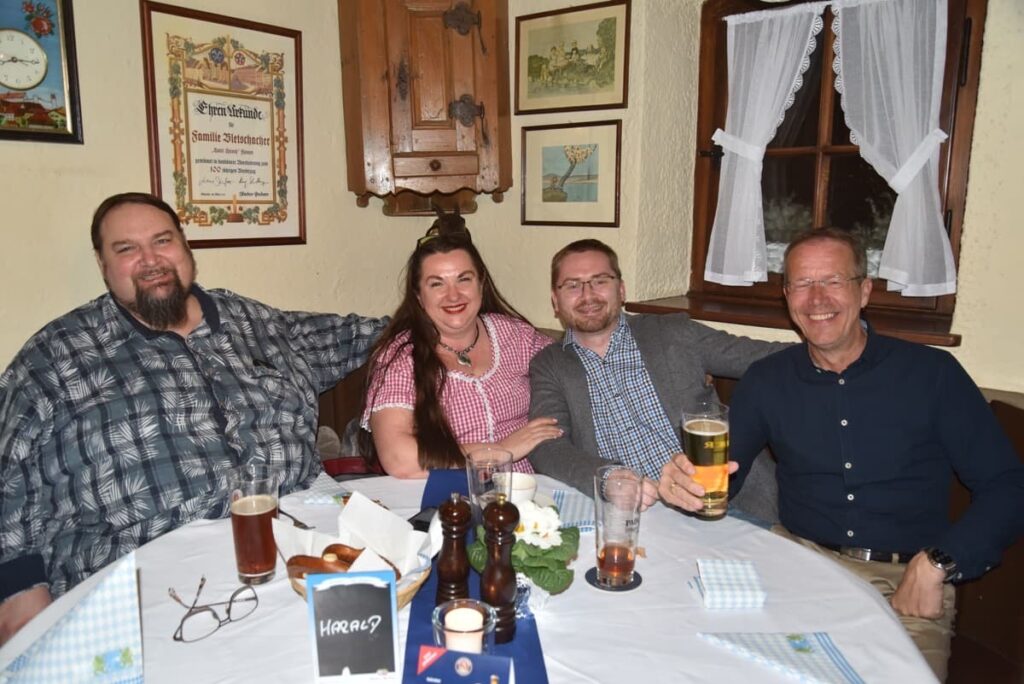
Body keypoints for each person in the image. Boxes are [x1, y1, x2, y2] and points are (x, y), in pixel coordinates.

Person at [0, 192, 387, 645]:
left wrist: (449, 315)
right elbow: (9, 475)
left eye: (162, 241)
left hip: (294, 561)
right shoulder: (57, 357)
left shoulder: (255, 324)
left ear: (186, 247)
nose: (150, 260)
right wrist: (19, 593)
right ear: (103, 265)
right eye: (126, 249)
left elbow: (370, 335)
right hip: (142, 596)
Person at [659, 228, 1024, 680]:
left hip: (905, 585)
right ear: (787, 296)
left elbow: (1008, 486)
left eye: (833, 281)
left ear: (864, 291)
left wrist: (938, 563)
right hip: (797, 568)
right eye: (802, 284)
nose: (817, 299)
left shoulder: (932, 374)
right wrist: (687, 486)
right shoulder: (766, 381)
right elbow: (724, 477)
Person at [528, 239, 785, 512]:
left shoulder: (672, 332)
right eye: (572, 285)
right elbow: (548, 445)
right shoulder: (550, 365)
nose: (588, 295)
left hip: (730, 501)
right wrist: (608, 479)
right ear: (555, 301)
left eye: (600, 281)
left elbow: (766, 358)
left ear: (621, 290)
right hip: (641, 515)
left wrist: (821, 342)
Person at [360, 218, 561, 478]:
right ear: (419, 296)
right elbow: (398, 458)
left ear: (481, 284)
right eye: (437, 283)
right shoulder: (401, 357)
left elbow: (571, 368)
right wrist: (498, 451)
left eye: (463, 279)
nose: (453, 295)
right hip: (449, 495)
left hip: (527, 490)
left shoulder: (516, 335)